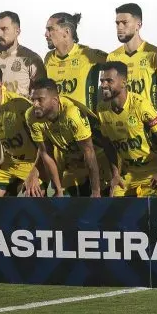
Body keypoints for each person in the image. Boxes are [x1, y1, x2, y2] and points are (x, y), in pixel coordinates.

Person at [42, 12, 109, 193]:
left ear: (66, 32)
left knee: (98, 199)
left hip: (90, 137)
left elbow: (119, 66)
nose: (46, 34)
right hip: (64, 142)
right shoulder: (48, 60)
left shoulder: (90, 55)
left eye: (50, 29)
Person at [0, 64, 59, 197]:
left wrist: (34, 173)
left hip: (33, 163)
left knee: (32, 198)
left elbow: (45, 145)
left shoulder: (21, 106)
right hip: (10, 164)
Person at [96, 61, 157, 197]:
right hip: (128, 175)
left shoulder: (141, 106)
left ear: (124, 83)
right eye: (102, 81)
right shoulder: (101, 109)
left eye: (109, 81)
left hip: (152, 172)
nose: (103, 85)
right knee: (115, 210)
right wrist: (115, 174)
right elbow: (108, 145)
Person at [25, 77, 101, 197]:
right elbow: (46, 153)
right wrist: (58, 189)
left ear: (55, 100)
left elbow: (89, 152)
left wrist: (96, 192)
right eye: (33, 99)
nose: (35, 104)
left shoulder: (72, 113)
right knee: (64, 202)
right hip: (71, 162)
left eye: (40, 100)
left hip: (98, 160)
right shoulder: (31, 116)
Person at [107, 3, 157, 112]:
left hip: (150, 124)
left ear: (138, 25)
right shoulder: (112, 57)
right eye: (117, 23)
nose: (120, 27)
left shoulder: (155, 54)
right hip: (123, 123)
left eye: (124, 23)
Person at [0, 11, 45, 97]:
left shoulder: (31, 59)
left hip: (21, 110)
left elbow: (42, 94)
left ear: (17, 31)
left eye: (4, 29)